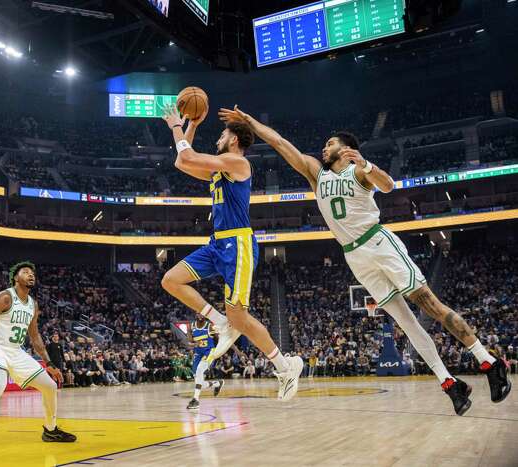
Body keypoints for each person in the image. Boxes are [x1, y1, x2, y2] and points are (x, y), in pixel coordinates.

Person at [219, 105, 512, 415]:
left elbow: (388, 186)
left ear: (347, 149)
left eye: (330, 143)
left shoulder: (358, 171)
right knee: (406, 323)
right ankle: (450, 384)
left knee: (429, 304)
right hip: (354, 256)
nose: (324, 147)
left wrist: (368, 165)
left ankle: (489, 362)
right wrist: (249, 121)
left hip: (378, 242)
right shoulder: (316, 174)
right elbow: (280, 143)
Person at [160, 105, 303, 402]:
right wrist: (193, 125)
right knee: (171, 280)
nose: (218, 139)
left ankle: (285, 367)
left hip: (238, 244)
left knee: (241, 317)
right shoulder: (220, 167)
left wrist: (177, 124)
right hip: (217, 243)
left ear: (235, 140)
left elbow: (187, 155)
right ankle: (219, 320)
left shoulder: (238, 163)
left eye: (223, 134)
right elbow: (181, 162)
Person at [0, 261, 75, 457]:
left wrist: (50, 363)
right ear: (15, 277)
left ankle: (51, 430)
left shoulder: (32, 304)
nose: (31, 275)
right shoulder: (5, 297)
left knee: (50, 386)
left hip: (15, 350)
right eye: (26, 272)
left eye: (32, 273)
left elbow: (35, 336)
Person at [186, 314, 224, 410]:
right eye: (198, 312)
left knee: (199, 370)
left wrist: (237, 351)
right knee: (198, 381)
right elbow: (189, 343)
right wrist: (194, 344)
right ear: (195, 313)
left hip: (209, 352)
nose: (200, 315)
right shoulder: (191, 326)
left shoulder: (210, 326)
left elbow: (220, 340)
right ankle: (217, 384)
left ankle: (195, 399)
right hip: (198, 353)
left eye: (202, 313)